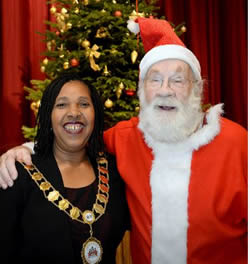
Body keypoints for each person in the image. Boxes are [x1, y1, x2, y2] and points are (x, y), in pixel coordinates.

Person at [0, 17, 247, 264]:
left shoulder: (238, 144)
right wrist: (24, 150)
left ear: (197, 88)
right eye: (155, 80)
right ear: (142, 90)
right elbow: (75, 140)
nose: (165, 90)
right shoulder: (126, 137)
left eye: (178, 80)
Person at [0, 73, 129, 264]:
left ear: (96, 114)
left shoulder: (115, 171)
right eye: (62, 104)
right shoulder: (17, 174)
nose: (74, 112)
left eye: (84, 104)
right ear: (48, 116)